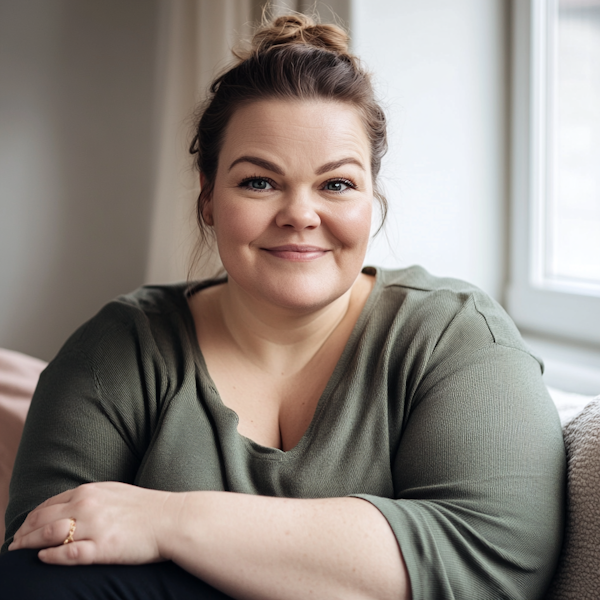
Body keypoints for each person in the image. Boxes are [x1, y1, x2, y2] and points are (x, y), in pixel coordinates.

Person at [1, 14, 565, 600]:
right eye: (259, 182)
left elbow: (495, 557)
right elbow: (40, 559)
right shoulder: (117, 350)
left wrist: (167, 523)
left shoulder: (454, 335)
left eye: (337, 185)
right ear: (208, 199)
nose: (301, 213)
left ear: (373, 198)